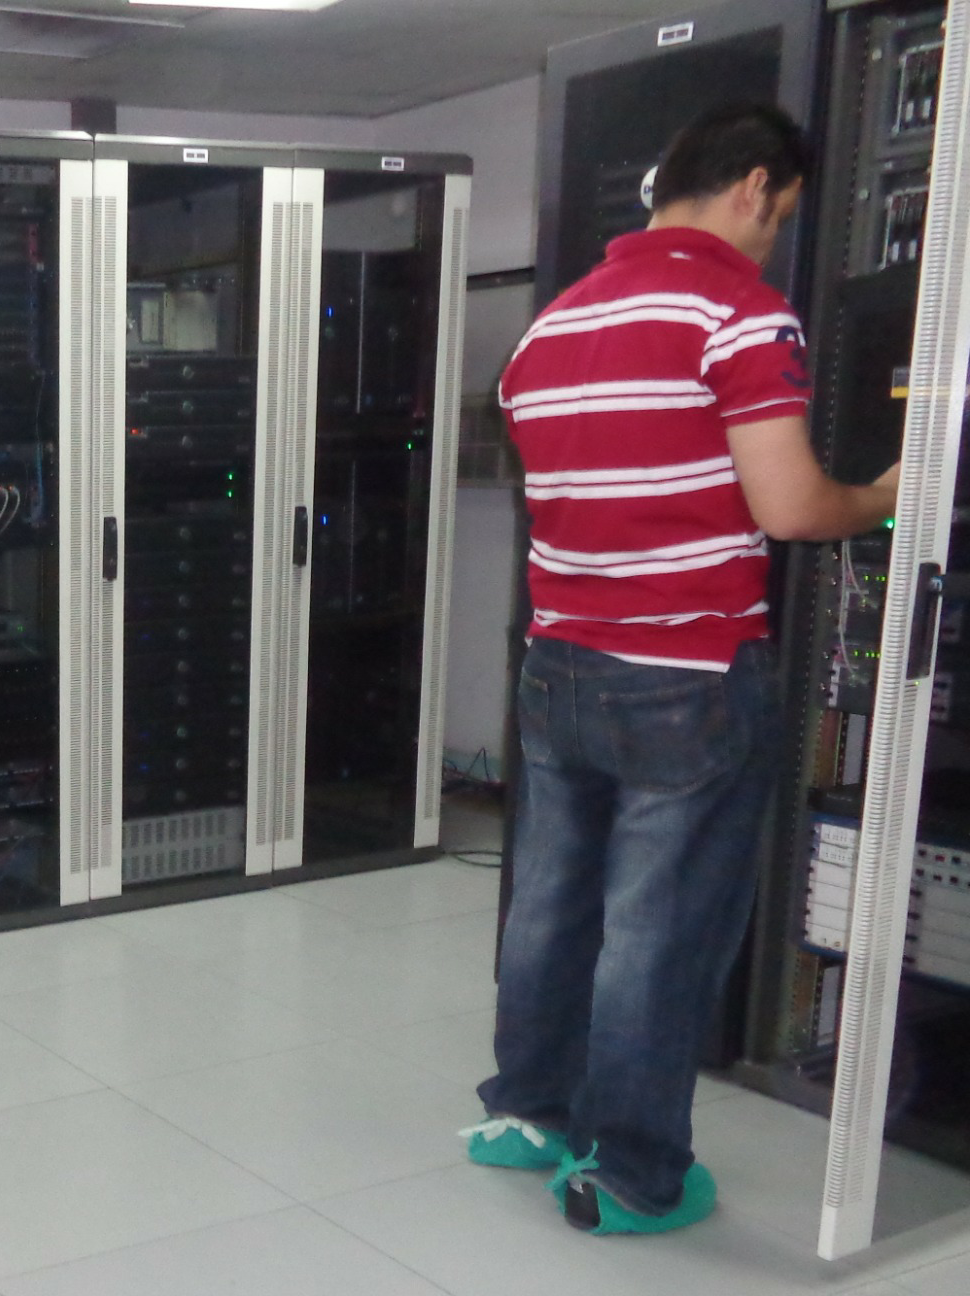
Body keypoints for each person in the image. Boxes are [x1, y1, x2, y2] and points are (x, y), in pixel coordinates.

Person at [462, 102, 901, 1236]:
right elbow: (792, 509)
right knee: (657, 933)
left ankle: (527, 1111)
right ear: (754, 187)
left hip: (557, 663)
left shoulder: (550, 326)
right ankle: (630, 1172)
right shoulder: (738, 315)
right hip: (684, 670)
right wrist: (890, 494)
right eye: (781, 214)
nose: (774, 237)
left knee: (551, 905)